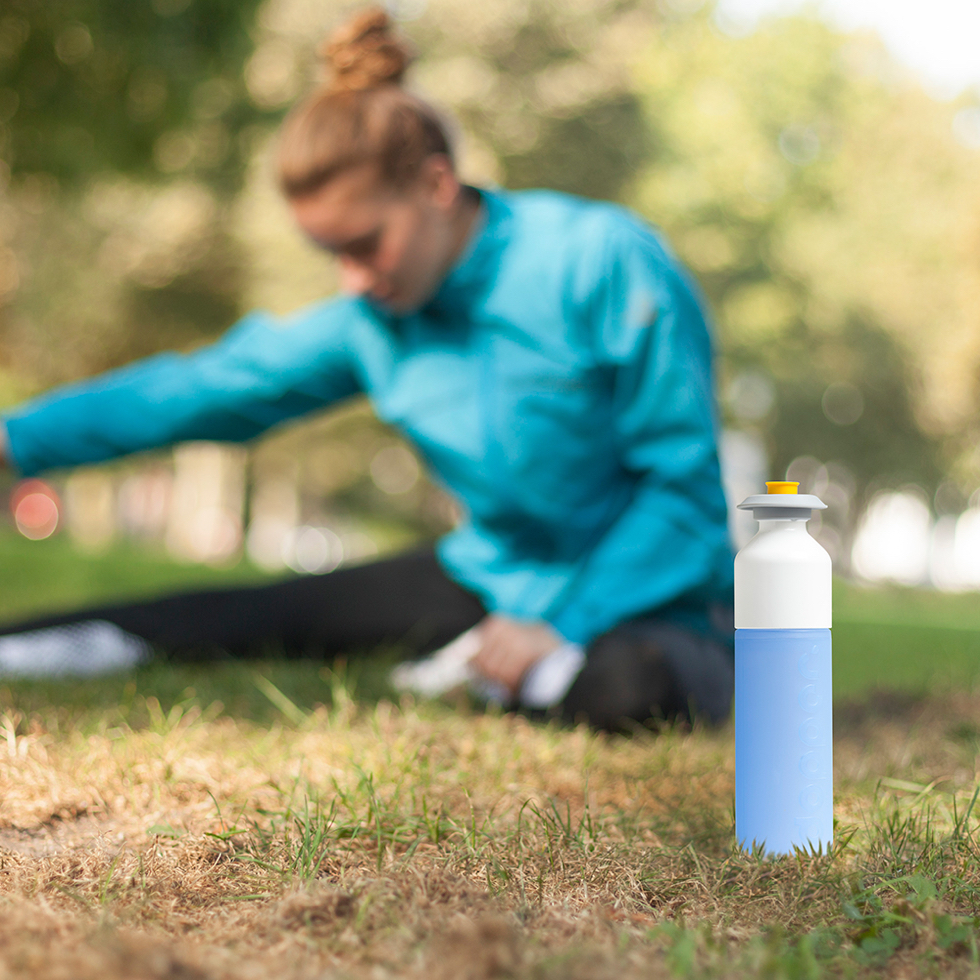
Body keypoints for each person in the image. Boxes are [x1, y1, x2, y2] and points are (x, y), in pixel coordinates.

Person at [0, 8, 735, 730]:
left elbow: (684, 494)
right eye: (332, 256)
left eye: (364, 243)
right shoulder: (375, 322)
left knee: (626, 687)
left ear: (437, 186)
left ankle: (506, 669)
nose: (351, 278)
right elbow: (201, 389)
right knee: (256, 615)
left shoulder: (602, 263)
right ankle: (22, 648)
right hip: (493, 576)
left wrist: (564, 620)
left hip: (652, 597)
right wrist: (15, 441)